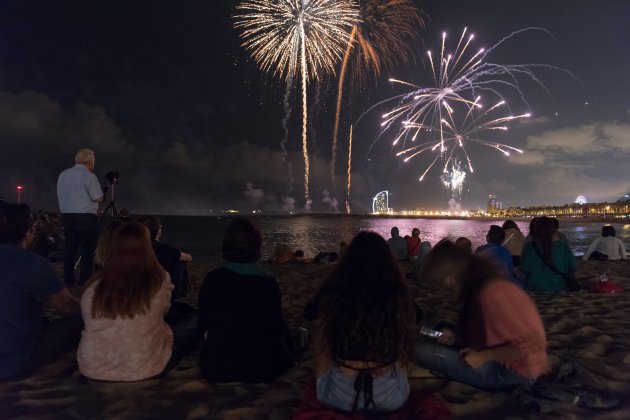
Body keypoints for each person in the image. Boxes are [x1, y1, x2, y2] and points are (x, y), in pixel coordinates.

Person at [305, 231, 416, 413]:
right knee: (402, 323)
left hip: (335, 396)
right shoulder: (396, 291)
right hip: (391, 397)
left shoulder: (335, 287)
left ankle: (324, 378)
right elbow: (415, 317)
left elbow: (310, 313)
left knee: (323, 323)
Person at [414, 240, 548, 389]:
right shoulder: (484, 285)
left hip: (514, 372)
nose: (447, 288)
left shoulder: (492, 294)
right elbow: (486, 330)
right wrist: (457, 337)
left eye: (444, 282)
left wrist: (483, 356)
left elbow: (529, 347)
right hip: (503, 357)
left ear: (451, 276)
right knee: (442, 327)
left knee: (418, 351)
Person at [78, 222, 198, 381]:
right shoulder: (158, 279)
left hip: (93, 369)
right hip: (146, 369)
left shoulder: (93, 286)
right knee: (191, 318)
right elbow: (164, 310)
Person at [198, 217, 292, 383]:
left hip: (216, 367)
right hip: (261, 368)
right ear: (257, 246)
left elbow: (202, 324)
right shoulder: (267, 283)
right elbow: (276, 330)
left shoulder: (212, 279)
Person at [0, 204, 81, 380]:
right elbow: (68, 307)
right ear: (29, 232)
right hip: (13, 363)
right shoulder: (34, 265)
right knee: (77, 323)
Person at [57, 148, 104, 286]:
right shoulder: (89, 176)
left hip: (66, 216)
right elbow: (98, 197)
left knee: (70, 250)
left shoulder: (63, 175)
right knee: (87, 250)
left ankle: (68, 279)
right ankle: (84, 280)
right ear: (89, 160)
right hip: (85, 217)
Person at [140, 216, 192, 299]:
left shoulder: (136, 248)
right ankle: (182, 290)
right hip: (162, 289)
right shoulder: (165, 249)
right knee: (180, 261)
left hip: (141, 286)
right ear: (158, 231)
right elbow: (189, 258)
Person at [521, 216, 577, 293]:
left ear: (536, 230)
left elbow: (525, 269)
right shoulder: (563, 246)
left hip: (535, 286)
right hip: (558, 286)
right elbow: (573, 268)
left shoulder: (529, 247)